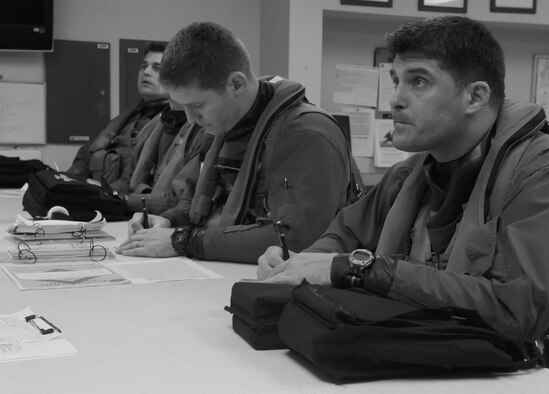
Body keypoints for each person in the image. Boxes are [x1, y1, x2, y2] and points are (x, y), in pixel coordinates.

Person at [257, 15, 549, 351]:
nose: (395, 100)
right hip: (435, 354)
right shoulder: (410, 173)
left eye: (418, 82)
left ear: (475, 97)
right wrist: (297, 264)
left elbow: (514, 310)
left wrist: (356, 270)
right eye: (396, 81)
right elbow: (343, 237)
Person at [116, 21, 355, 263]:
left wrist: (183, 240)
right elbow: (197, 202)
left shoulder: (305, 134)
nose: (191, 119)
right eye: (182, 106)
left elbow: (294, 239)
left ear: (236, 84)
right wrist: (169, 220)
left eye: (197, 106)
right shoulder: (219, 126)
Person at [67, 42, 169, 184]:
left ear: (175, 77)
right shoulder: (123, 121)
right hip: (104, 199)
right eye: (144, 66)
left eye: (156, 68)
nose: (146, 72)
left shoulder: (177, 124)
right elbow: (86, 156)